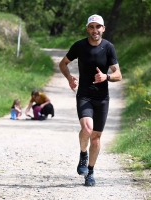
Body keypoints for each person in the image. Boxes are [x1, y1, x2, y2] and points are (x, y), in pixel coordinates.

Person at [58, 14, 122, 186]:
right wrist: (70, 78)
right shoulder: (79, 46)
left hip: (102, 98)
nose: (95, 30)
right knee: (87, 128)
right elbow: (63, 63)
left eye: (98, 27)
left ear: (103, 29)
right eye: (91, 27)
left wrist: (106, 77)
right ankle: (83, 154)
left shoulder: (109, 48)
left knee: (96, 137)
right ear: (87, 28)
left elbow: (118, 75)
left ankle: (90, 172)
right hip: (84, 95)